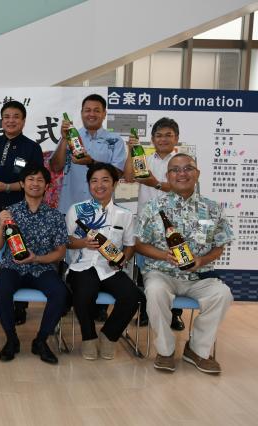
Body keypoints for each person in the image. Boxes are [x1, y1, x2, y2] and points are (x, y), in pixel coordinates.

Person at [135, 153, 233, 374]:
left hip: (199, 276)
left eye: (188, 168)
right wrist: (164, 255)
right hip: (162, 272)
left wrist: (202, 260)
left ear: (197, 173)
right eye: (175, 170)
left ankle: (197, 350)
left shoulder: (213, 208)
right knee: (155, 291)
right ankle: (165, 351)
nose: (182, 174)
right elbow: (139, 244)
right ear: (168, 176)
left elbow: (219, 245)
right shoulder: (153, 207)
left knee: (223, 294)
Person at [51, 93, 127, 322]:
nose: (91, 114)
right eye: (87, 110)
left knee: (100, 251)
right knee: (66, 253)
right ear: (82, 113)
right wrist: (63, 139)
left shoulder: (114, 140)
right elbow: (55, 166)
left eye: (96, 110)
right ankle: (66, 299)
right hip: (71, 205)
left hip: (102, 209)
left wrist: (91, 162)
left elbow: (118, 172)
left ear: (104, 114)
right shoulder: (72, 136)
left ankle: (99, 305)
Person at [0, 165, 67, 364]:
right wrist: (0, 225)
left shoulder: (55, 216)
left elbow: (60, 253)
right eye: (31, 179)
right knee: (1, 290)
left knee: (60, 292)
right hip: (13, 267)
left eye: (40, 180)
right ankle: (11, 339)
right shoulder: (9, 212)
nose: (35, 184)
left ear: (47, 186)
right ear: (23, 184)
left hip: (42, 267)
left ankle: (41, 341)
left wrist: (36, 258)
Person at [66, 163, 142, 360]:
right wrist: (83, 242)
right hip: (82, 266)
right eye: (94, 181)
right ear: (89, 185)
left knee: (133, 296)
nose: (99, 185)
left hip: (110, 268)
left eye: (105, 180)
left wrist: (123, 259)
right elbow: (66, 242)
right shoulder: (76, 210)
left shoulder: (125, 215)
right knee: (85, 292)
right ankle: (88, 337)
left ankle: (109, 335)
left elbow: (130, 245)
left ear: (115, 184)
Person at [0, 100, 44, 323]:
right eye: (6, 117)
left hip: (22, 209)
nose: (11, 120)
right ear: (1, 120)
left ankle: (20, 307)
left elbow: (35, 181)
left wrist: (7, 187)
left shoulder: (31, 148)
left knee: (19, 253)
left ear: (23, 121)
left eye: (16, 116)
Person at [124, 117, 184, 330]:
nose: (163, 139)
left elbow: (183, 188)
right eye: (159, 135)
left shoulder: (183, 162)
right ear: (152, 139)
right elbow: (128, 177)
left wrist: (155, 183)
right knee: (144, 269)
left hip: (174, 224)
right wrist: (131, 151)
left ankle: (175, 314)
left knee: (176, 267)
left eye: (168, 135)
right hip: (147, 224)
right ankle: (145, 312)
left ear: (176, 138)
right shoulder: (145, 159)